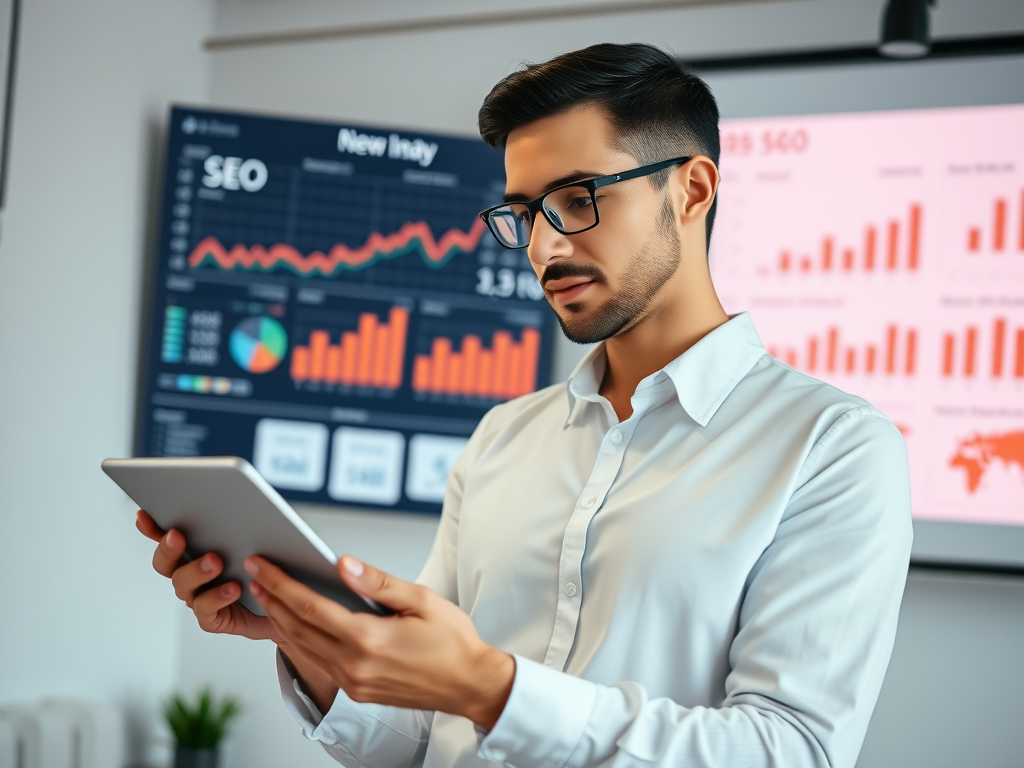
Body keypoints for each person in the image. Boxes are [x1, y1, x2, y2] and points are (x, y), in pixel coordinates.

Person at [137, 42, 912, 768]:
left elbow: (792, 751)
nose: (543, 247)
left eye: (577, 199)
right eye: (526, 212)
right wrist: (308, 638)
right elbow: (414, 738)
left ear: (692, 190)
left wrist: (491, 688)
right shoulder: (503, 437)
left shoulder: (833, 447)